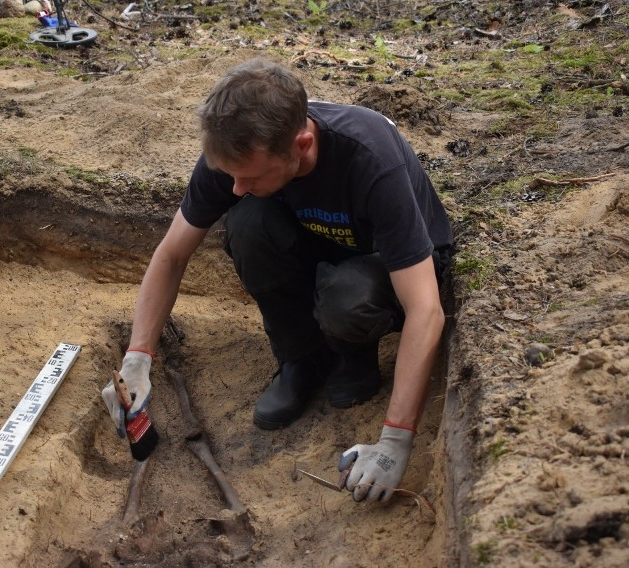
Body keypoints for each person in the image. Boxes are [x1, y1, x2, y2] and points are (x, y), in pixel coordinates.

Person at [102, 57, 453, 504]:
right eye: (230, 175)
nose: (234, 187)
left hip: (389, 268)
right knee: (247, 225)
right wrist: (138, 357)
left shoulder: (369, 158)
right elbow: (171, 255)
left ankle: (353, 355)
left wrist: (395, 441)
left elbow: (426, 309)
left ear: (301, 144)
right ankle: (301, 360)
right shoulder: (236, 153)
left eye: (249, 176)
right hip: (319, 252)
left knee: (347, 297)